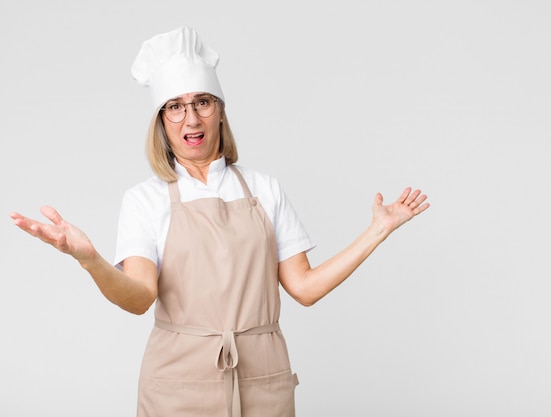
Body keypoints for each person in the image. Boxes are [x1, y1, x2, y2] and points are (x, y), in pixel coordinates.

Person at [10, 26, 429, 417]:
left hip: (262, 378)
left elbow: (304, 288)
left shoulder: (265, 189)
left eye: (202, 102)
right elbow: (139, 298)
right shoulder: (145, 199)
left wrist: (378, 230)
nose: (191, 119)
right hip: (177, 383)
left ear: (220, 112)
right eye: (175, 107)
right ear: (161, 122)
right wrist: (90, 259)